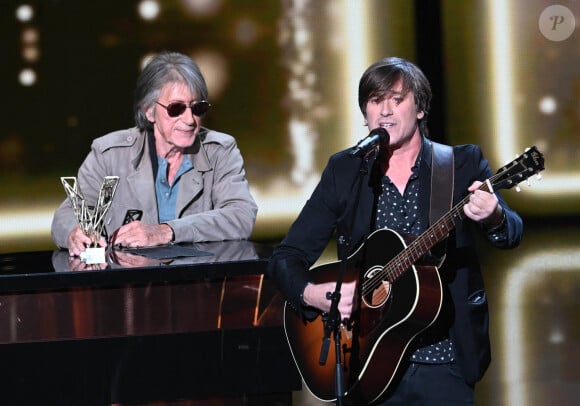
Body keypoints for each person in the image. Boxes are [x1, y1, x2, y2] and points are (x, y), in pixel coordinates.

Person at [267, 56, 523, 404]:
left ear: (420, 108)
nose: (385, 111)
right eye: (375, 101)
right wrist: (312, 296)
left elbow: (511, 233)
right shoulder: (347, 170)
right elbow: (287, 257)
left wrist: (493, 216)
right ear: (364, 114)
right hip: (366, 361)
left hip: (445, 359)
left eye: (397, 99)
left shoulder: (460, 164)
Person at [52, 51, 257, 256]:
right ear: (149, 111)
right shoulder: (109, 154)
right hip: (131, 284)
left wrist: (167, 231)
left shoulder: (220, 151)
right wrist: (74, 233)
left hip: (198, 281)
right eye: (176, 108)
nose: (189, 120)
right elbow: (67, 214)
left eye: (197, 108)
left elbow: (241, 216)